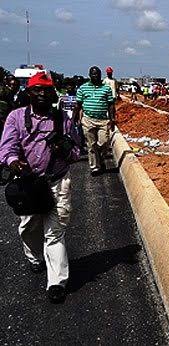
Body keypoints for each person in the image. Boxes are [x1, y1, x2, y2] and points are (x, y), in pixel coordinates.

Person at [0, 72, 80, 303]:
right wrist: (15, 162)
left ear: (53, 94)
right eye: (37, 90)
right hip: (28, 185)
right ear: (29, 93)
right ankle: (35, 258)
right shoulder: (16, 117)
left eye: (47, 90)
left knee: (54, 233)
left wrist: (64, 149)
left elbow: (76, 151)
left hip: (57, 182)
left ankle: (56, 282)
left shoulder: (62, 120)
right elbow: (6, 149)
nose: (42, 94)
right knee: (29, 228)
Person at [75, 66, 115, 176]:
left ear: (100, 75)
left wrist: (112, 119)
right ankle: (95, 167)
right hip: (88, 120)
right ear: (89, 75)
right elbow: (78, 105)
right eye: (93, 74)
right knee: (91, 145)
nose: (95, 76)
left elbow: (111, 105)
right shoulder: (83, 88)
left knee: (104, 142)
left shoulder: (106, 89)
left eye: (97, 74)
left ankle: (100, 160)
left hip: (103, 120)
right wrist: (74, 119)